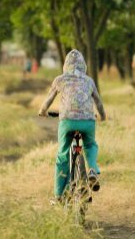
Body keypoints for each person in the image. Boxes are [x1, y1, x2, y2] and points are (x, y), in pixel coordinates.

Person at [39, 49, 106, 203]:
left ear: (65, 65)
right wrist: (103, 116)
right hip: (88, 121)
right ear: (84, 65)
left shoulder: (60, 80)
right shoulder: (89, 81)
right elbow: (98, 102)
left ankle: (59, 195)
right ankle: (92, 171)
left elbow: (48, 101)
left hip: (67, 121)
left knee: (62, 154)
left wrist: (43, 112)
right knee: (90, 144)